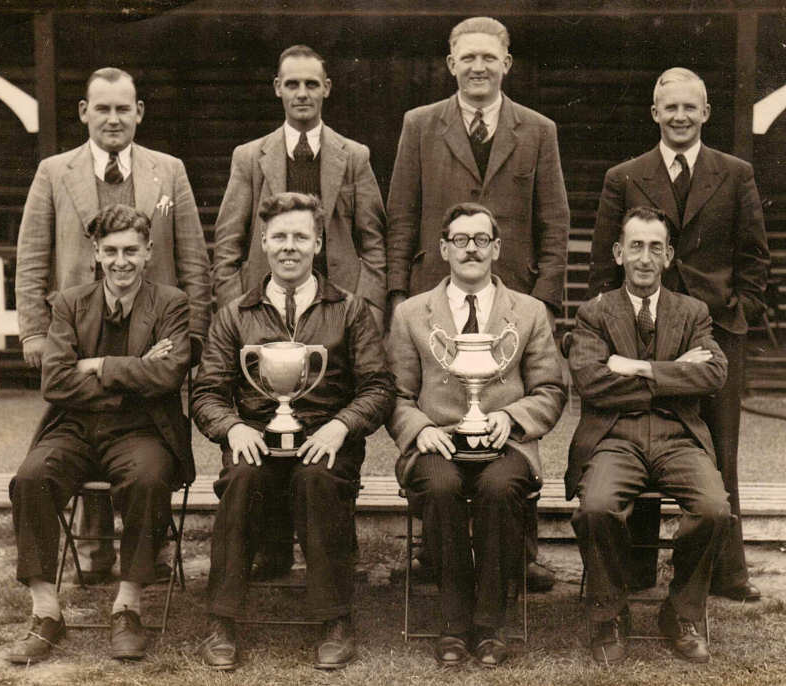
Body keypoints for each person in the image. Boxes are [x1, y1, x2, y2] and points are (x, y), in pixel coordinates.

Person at [387, 16, 569, 590]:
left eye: (489, 57)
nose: (479, 67)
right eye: (467, 58)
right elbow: (401, 215)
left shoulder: (538, 129)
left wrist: (539, 305)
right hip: (437, 302)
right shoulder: (420, 125)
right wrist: (399, 297)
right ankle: (435, 553)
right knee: (440, 424)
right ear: (450, 64)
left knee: (510, 430)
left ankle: (521, 552)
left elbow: (555, 224)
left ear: (507, 64)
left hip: (511, 304)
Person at [14, 67, 211, 584]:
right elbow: (33, 255)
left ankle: (150, 552)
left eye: (124, 108)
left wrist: (193, 337)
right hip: (75, 326)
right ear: (84, 113)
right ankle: (96, 549)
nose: (113, 118)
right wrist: (35, 332)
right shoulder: (55, 172)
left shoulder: (168, 171)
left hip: (154, 327)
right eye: (102, 108)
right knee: (82, 423)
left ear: (139, 112)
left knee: (145, 435)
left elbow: (193, 258)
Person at [587, 67, 770, 603]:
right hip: (644, 328)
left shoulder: (734, 173)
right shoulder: (625, 175)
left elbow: (755, 257)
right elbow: (604, 260)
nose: (680, 116)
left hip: (714, 332)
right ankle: (640, 569)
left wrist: (735, 315)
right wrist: (618, 327)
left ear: (706, 113)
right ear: (655, 114)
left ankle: (727, 571)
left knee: (721, 447)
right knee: (645, 432)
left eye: (691, 108)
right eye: (670, 108)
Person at [192, 192, 394, 671]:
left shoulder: (350, 310)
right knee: (241, 479)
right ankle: (222, 620)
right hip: (257, 435)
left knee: (317, 479)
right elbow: (207, 392)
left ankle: (334, 619)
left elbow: (379, 387)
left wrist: (342, 426)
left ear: (318, 243)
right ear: (263, 241)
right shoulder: (235, 314)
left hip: (326, 440)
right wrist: (233, 427)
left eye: (300, 237)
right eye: (279, 236)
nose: (289, 247)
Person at [211, 45, 388, 579]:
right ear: (278, 88)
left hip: (334, 308)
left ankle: (331, 556)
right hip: (264, 314)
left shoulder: (353, 155)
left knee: (326, 422)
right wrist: (235, 314)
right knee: (269, 414)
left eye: (312, 84)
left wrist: (370, 308)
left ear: (327, 88)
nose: (303, 94)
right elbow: (228, 242)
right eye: (293, 84)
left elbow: (373, 240)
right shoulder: (251, 156)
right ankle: (271, 547)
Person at [6, 204, 193, 664]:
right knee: (30, 479)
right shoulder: (70, 303)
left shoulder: (171, 303)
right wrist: (133, 373)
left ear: (149, 252)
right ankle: (46, 611)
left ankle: (128, 606)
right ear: (96, 252)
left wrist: (98, 366)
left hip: (142, 430)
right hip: (74, 427)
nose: (121, 261)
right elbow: (55, 382)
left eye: (132, 250)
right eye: (111, 251)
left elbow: (169, 376)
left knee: (149, 480)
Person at [387, 202, 565, 667]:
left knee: (499, 488)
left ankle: (488, 627)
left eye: (481, 240)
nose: (471, 249)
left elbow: (551, 388)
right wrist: (419, 428)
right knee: (442, 488)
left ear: (497, 248)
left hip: (506, 442)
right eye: (461, 240)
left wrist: (515, 417)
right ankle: (452, 623)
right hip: (438, 439)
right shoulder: (410, 314)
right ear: (443, 249)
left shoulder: (527, 313)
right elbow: (396, 394)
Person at [568, 206, 732, 664]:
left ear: (668, 256)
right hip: (615, 436)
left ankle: (680, 611)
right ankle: (609, 613)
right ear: (619, 253)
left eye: (655, 247)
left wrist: (638, 368)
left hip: (678, 435)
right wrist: (676, 374)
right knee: (597, 507)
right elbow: (590, 380)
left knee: (714, 509)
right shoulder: (593, 314)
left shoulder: (692, 311)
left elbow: (715, 374)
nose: (645, 257)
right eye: (635, 246)